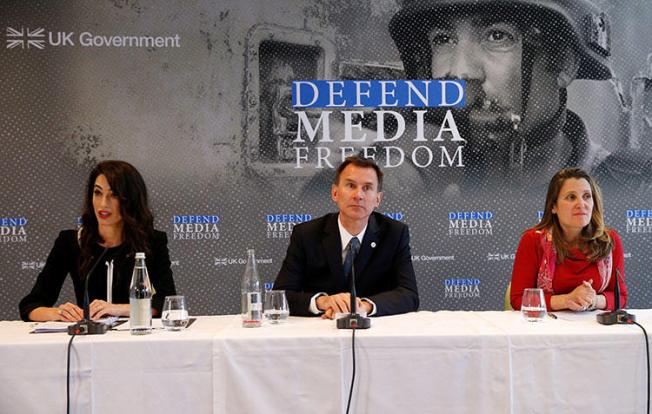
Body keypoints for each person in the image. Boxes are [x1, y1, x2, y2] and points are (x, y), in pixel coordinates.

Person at [389, 0, 615, 190]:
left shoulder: (626, 187)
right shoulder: (400, 172)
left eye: (497, 36)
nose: (459, 71)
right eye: (443, 39)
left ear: (564, 63)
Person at [19, 160, 176, 322]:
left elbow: (167, 303)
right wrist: (58, 313)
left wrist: (118, 309)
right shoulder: (71, 242)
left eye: (113, 195)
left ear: (130, 200)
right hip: (89, 341)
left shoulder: (151, 241)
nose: (103, 204)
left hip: (136, 338)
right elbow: (30, 305)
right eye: (98, 193)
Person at [274, 155, 419, 318]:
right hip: (320, 330)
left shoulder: (395, 233)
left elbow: (409, 295)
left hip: (376, 333)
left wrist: (364, 306)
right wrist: (323, 302)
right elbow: (280, 295)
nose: (358, 195)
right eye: (351, 185)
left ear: (378, 199)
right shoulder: (306, 234)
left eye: (367, 188)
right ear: (335, 193)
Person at [510, 168, 626, 311]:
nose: (581, 204)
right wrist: (567, 300)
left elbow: (620, 296)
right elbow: (518, 299)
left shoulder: (610, 240)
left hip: (593, 328)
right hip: (547, 329)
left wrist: (593, 300)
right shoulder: (533, 240)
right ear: (553, 206)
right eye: (571, 197)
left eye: (587, 196)